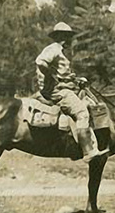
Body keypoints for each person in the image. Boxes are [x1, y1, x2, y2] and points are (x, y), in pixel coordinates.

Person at [36, 22, 108, 163]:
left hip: (63, 87)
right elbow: (40, 62)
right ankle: (88, 151)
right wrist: (52, 77)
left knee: (89, 101)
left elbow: (63, 73)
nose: (71, 40)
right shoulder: (54, 49)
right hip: (58, 91)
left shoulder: (60, 51)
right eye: (69, 37)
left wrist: (77, 79)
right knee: (82, 113)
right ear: (63, 37)